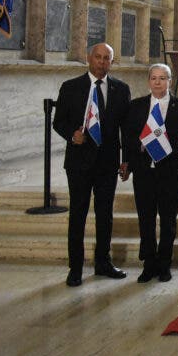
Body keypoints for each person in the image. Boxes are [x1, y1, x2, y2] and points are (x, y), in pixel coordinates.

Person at [53, 42, 132, 287]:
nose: (101, 62)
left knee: (105, 215)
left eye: (106, 58)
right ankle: (75, 268)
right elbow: (59, 122)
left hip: (107, 163)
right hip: (78, 162)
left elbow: (126, 130)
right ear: (89, 58)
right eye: (97, 57)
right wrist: (71, 135)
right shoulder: (71, 87)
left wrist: (126, 160)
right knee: (78, 214)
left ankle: (103, 262)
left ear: (112, 61)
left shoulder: (121, 89)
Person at [120, 63, 178, 283]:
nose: (158, 82)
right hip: (144, 171)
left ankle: (165, 263)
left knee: (168, 219)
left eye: (163, 78)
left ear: (170, 81)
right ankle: (149, 263)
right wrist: (135, 151)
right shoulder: (136, 106)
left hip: (171, 170)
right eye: (154, 78)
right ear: (148, 81)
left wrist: (168, 146)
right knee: (146, 219)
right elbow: (127, 136)